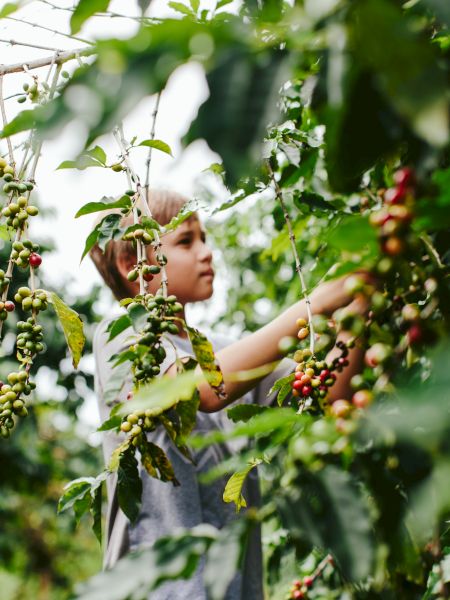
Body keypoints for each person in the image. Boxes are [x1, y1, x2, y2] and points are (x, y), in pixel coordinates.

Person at [90, 189, 364, 599]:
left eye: (204, 238)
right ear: (134, 264)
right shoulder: (121, 338)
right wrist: (317, 302)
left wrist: (358, 306)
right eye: (186, 241)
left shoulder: (229, 353)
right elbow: (202, 389)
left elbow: (328, 399)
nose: (206, 252)